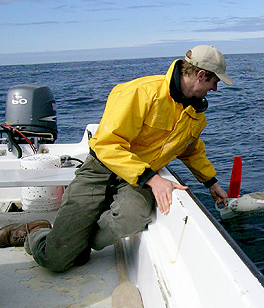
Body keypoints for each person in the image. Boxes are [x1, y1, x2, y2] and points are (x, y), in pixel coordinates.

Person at [0, 45, 232, 272]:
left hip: (137, 178)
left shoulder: (196, 115)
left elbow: (191, 150)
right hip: (102, 169)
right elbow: (107, 144)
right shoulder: (141, 92)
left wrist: (211, 182)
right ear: (201, 75)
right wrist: (151, 179)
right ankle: (36, 234)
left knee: (132, 217)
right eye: (214, 82)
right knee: (56, 261)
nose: (214, 90)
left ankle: (76, 243)